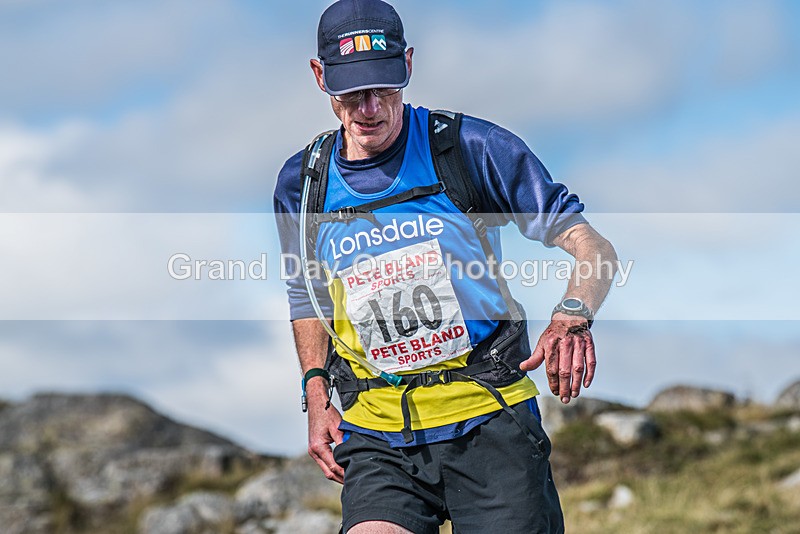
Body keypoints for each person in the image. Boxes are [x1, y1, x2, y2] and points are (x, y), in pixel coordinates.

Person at [274, 1, 618, 532]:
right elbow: (306, 295)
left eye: (384, 88)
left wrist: (573, 312)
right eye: (351, 92)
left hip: (488, 419)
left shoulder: (470, 148)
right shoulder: (303, 183)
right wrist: (316, 390)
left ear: (408, 65)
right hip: (377, 433)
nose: (369, 108)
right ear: (320, 77)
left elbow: (591, 245)